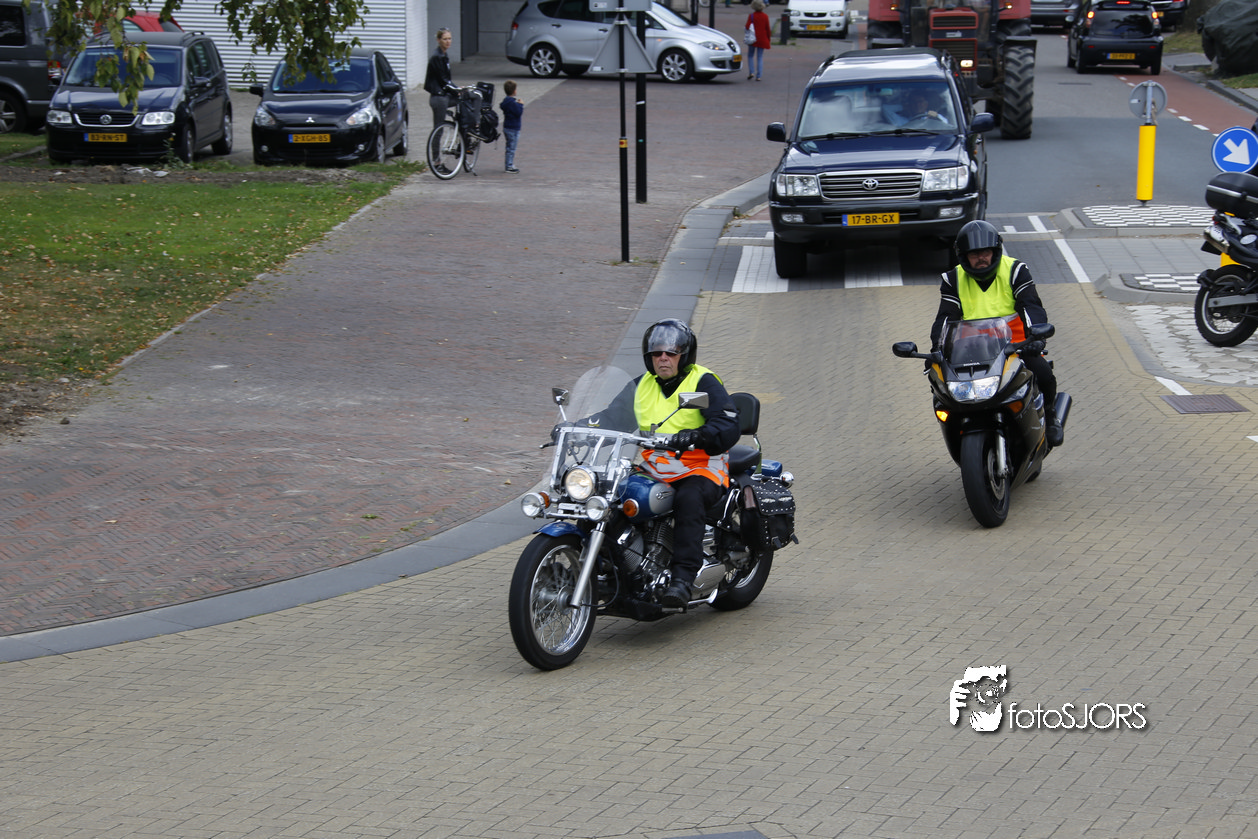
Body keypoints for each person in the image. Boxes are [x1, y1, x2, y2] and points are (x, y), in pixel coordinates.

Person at [633, 319, 739, 606]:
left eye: (671, 353)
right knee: (615, 494)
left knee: (688, 498)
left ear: (684, 355)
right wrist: (581, 424)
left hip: (700, 466)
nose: (663, 358)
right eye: (657, 353)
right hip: (655, 467)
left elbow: (726, 421)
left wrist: (699, 435)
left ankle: (681, 579)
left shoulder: (701, 383)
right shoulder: (642, 385)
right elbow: (610, 414)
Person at [930, 220, 1064, 447]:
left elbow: (1031, 306)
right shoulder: (953, 279)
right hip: (973, 350)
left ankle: (1050, 416)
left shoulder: (1015, 270)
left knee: (1043, 373)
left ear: (995, 251)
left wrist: (1037, 337)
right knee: (943, 388)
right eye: (974, 254)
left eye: (986, 252)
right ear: (963, 256)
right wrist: (937, 349)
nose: (981, 258)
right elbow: (945, 318)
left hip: (1017, 346)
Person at [423, 28, 455, 129]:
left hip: (443, 94)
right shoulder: (437, 57)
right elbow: (443, 80)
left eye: (449, 38)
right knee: (438, 128)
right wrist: (456, 90)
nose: (448, 41)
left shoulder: (444, 54)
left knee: (466, 98)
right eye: (445, 39)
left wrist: (458, 89)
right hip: (439, 97)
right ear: (438, 40)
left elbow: (446, 80)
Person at [500, 79, 523, 174]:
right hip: (513, 128)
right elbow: (518, 113)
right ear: (514, 91)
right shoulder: (513, 103)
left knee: (509, 146)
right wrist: (521, 105)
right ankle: (509, 165)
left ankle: (509, 164)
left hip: (507, 127)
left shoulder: (506, 102)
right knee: (511, 148)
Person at [745, 1, 771, 82]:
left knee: (750, 55)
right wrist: (768, 39)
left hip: (753, 38)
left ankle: (751, 72)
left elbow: (747, 26)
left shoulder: (751, 16)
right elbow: (768, 29)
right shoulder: (765, 16)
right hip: (762, 39)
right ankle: (759, 76)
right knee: (760, 57)